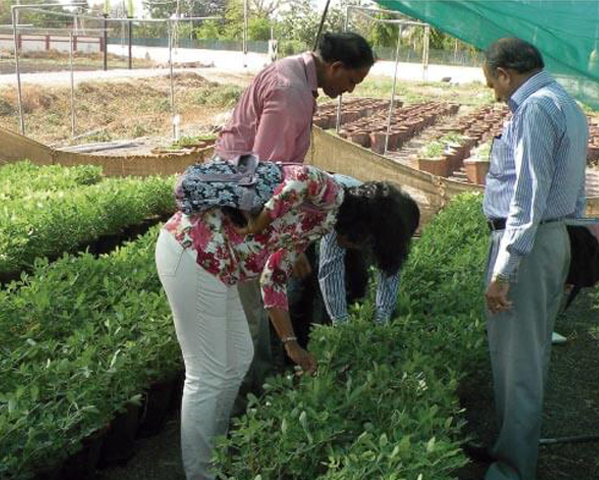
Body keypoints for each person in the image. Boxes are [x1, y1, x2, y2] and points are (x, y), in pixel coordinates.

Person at [155, 162, 414, 480]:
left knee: (237, 359)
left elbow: (273, 278)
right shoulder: (331, 193)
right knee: (207, 374)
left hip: (218, 268)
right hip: (191, 253)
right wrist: (260, 220)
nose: (362, 250)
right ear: (369, 227)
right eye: (369, 243)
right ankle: (200, 473)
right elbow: (299, 178)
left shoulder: (320, 222)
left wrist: (292, 346)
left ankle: (214, 457)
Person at [211, 32, 376, 391]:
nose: (349, 91)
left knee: (256, 304)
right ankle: (250, 398)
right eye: (350, 81)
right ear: (335, 67)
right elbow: (268, 173)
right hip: (241, 209)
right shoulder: (291, 92)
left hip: (247, 203)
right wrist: (283, 243)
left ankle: (258, 379)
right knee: (249, 314)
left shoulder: (293, 76)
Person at [478, 37, 587, 480]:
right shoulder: (565, 103)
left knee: (516, 362)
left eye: (492, 83)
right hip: (550, 239)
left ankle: (512, 469)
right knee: (531, 354)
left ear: (505, 73)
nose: (494, 92)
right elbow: (575, 188)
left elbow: (528, 194)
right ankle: (512, 445)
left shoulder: (536, 108)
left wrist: (506, 268)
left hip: (525, 242)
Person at [287, 174, 420, 346]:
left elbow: (389, 266)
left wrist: (382, 322)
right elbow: (330, 268)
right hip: (299, 216)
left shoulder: (383, 226)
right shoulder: (338, 211)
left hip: (346, 220)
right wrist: (341, 323)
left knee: (356, 281)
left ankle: (333, 332)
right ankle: (300, 349)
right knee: (301, 288)